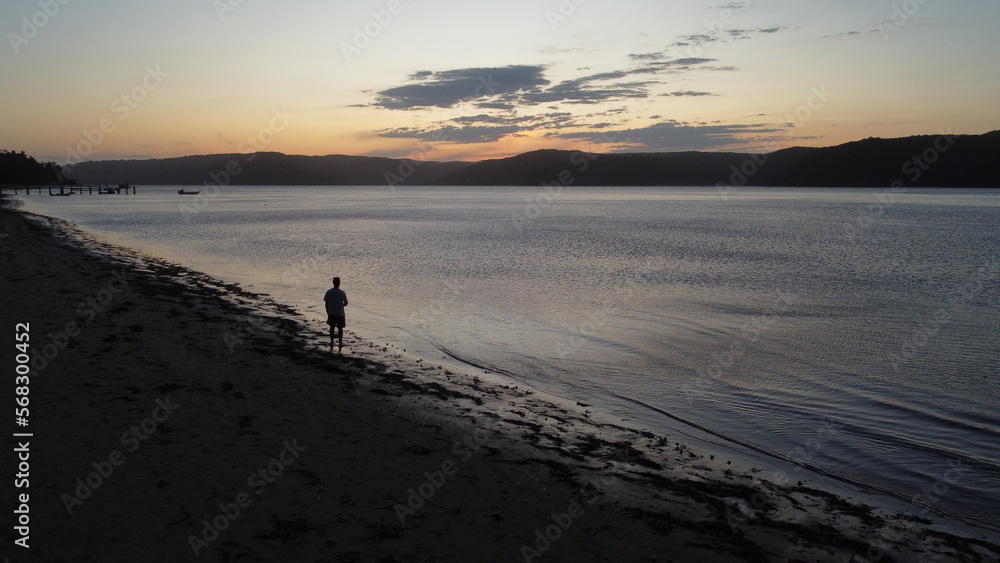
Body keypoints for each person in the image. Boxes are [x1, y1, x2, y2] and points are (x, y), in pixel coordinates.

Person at [324, 276, 348, 351]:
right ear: (339, 283)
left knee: (332, 327)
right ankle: (340, 343)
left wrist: (327, 311)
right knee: (340, 328)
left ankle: (332, 342)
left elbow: (326, 303)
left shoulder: (328, 292)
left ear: (333, 283)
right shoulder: (342, 293)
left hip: (332, 312)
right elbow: (346, 302)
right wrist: (341, 305)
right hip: (340, 313)